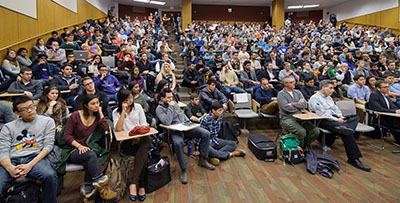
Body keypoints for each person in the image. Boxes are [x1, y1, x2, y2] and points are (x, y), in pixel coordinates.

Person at [0, 96, 57, 203]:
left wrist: (29, 165)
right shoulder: (8, 127)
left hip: (35, 158)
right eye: (24, 109)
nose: (30, 110)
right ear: (17, 113)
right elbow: (3, 151)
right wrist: (10, 168)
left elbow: (48, 147)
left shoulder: (48, 122)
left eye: (31, 106)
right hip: (12, 159)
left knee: (49, 176)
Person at [63, 95, 117, 202]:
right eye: (93, 104)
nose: (96, 106)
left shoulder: (97, 118)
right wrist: (79, 146)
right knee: (91, 155)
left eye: (98, 103)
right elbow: (66, 136)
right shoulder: (75, 116)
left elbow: (106, 129)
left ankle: (88, 194)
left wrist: (101, 113)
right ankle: (102, 185)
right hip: (72, 149)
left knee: (90, 158)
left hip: (87, 150)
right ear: (86, 106)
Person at [156, 88, 216, 184]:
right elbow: (167, 122)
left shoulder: (174, 103)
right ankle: (183, 169)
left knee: (206, 134)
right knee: (178, 142)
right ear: (162, 98)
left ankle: (202, 160)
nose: (171, 99)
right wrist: (171, 107)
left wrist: (188, 122)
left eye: (172, 96)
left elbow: (181, 115)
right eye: (168, 97)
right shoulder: (159, 109)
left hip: (185, 126)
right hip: (174, 130)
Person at [309, 80, 371, 172]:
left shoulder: (329, 98)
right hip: (323, 120)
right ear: (323, 88)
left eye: (333, 88)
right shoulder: (315, 98)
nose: (333, 90)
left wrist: (340, 116)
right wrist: (337, 120)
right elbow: (321, 114)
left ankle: (345, 127)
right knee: (347, 134)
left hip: (336, 119)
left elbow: (335, 109)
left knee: (355, 117)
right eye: (330, 88)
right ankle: (354, 159)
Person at [113, 89, 150, 202]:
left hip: (141, 137)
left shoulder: (138, 107)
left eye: (131, 98)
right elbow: (118, 130)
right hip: (126, 141)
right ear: (121, 101)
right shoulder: (116, 112)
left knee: (146, 140)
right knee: (145, 156)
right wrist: (123, 112)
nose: (130, 100)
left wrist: (138, 135)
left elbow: (144, 124)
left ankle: (134, 183)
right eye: (127, 99)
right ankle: (141, 185)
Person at [277, 76, 320, 148]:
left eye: (293, 81)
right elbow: (286, 108)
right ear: (285, 84)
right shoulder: (281, 94)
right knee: (301, 132)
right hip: (287, 118)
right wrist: (299, 106)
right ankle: (300, 150)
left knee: (315, 131)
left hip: (300, 117)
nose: (294, 83)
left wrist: (293, 104)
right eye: (291, 82)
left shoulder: (298, 92)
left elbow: (305, 104)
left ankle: (302, 147)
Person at [367, 80, 400, 144]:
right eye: (385, 87)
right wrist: (394, 111)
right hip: (380, 117)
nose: (387, 89)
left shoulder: (386, 95)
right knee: (397, 123)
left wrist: (397, 110)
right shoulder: (374, 95)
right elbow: (378, 109)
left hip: (389, 115)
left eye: (388, 87)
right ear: (378, 88)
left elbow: (392, 106)